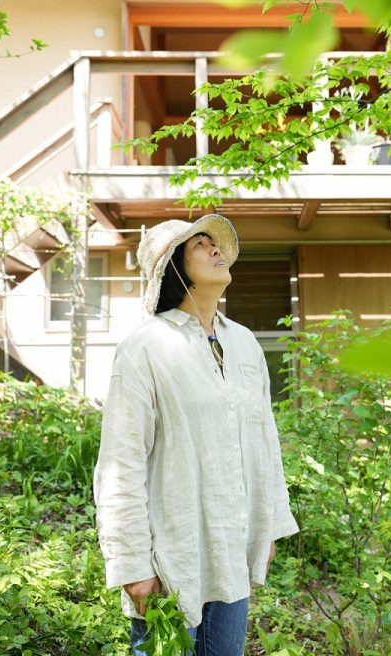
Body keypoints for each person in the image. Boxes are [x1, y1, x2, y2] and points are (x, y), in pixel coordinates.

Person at [93, 214, 298, 656]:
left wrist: (267, 530)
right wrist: (131, 561)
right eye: (200, 244)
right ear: (173, 266)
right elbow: (121, 460)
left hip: (231, 553)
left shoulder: (243, 343)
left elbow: (265, 442)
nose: (216, 250)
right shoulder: (146, 345)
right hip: (171, 556)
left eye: (215, 243)